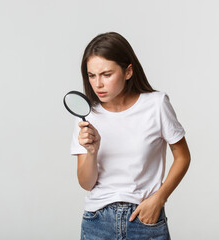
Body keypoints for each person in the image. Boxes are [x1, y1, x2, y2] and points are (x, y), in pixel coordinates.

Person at [70, 32, 191, 240]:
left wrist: (159, 199)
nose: (98, 84)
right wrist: (91, 152)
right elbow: (86, 183)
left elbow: (183, 156)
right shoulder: (88, 115)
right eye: (92, 75)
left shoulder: (156, 104)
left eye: (106, 74)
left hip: (145, 220)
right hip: (97, 222)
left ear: (128, 72)